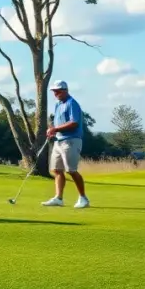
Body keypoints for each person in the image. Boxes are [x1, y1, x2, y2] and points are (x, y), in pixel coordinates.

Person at [42, 79, 90, 209]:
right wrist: (53, 130)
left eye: (57, 91)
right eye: (54, 91)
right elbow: (58, 123)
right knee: (56, 169)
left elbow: (74, 123)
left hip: (72, 140)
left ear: (65, 90)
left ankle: (83, 198)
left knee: (71, 170)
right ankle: (58, 198)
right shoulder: (58, 104)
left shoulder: (72, 103)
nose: (55, 94)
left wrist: (56, 129)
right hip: (59, 140)